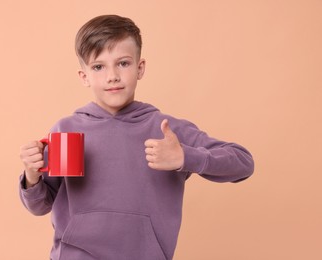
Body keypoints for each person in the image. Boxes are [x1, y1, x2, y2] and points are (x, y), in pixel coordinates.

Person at [19, 14, 254, 260]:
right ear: (84, 76)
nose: (112, 76)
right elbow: (39, 206)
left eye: (123, 63)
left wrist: (186, 157)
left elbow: (243, 163)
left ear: (140, 68)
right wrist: (32, 177)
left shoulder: (166, 130)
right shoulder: (64, 130)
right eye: (99, 67)